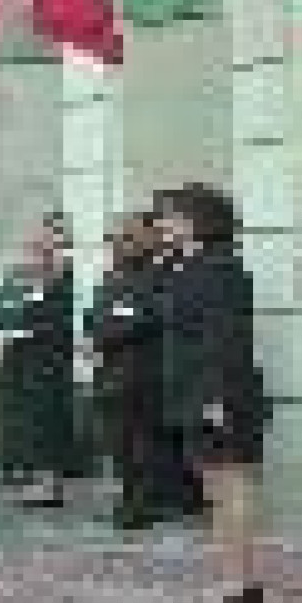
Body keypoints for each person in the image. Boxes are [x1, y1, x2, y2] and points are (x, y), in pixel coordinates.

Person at [96, 183, 271, 603]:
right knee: (215, 489)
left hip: (220, 394)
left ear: (196, 221)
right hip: (192, 393)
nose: (163, 224)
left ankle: (242, 583)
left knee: (232, 484)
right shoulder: (181, 266)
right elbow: (148, 311)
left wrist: (216, 399)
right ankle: (234, 579)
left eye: (171, 216)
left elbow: (225, 340)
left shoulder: (221, 269)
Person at [90, 211, 205, 531]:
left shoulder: (165, 275)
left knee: (147, 443)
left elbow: (146, 316)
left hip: (148, 374)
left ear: (149, 238)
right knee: (120, 444)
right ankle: (130, 499)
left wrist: (114, 324)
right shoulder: (112, 277)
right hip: (112, 374)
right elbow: (96, 318)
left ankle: (149, 503)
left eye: (128, 237)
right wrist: (111, 325)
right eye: (115, 238)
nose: (119, 244)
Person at [0, 213, 80, 506]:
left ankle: (50, 482)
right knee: (24, 416)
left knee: (49, 417)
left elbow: (68, 315)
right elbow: (2, 310)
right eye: (44, 236)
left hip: (52, 355)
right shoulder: (19, 276)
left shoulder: (72, 277)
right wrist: (5, 334)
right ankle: (28, 474)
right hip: (19, 354)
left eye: (56, 237)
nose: (47, 242)